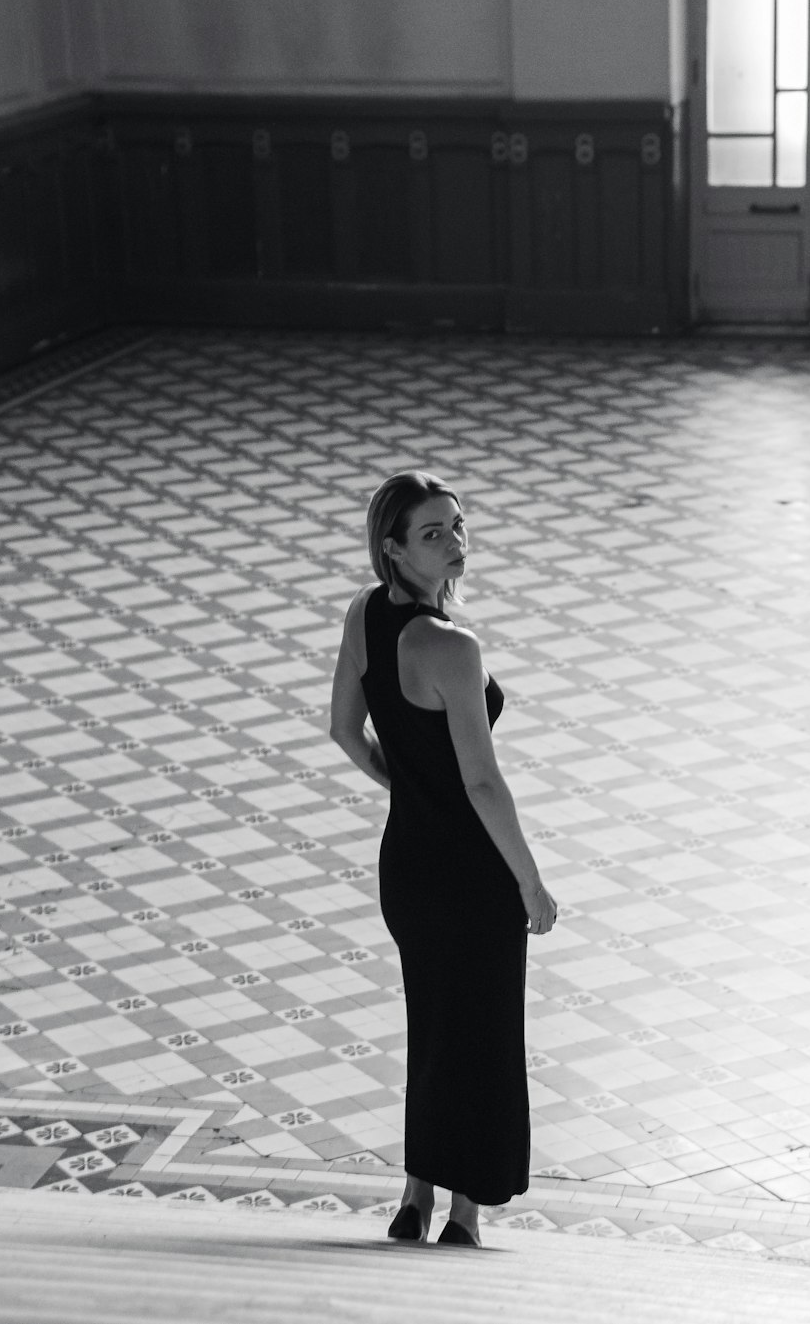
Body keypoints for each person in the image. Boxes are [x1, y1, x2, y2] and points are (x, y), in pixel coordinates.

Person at [330, 469, 558, 1247]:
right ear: (392, 548)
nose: (455, 542)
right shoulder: (452, 646)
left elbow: (342, 728)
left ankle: (412, 1194)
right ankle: (463, 1211)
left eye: (458, 525)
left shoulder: (364, 616)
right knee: (485, 1037)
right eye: (433, 533)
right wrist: (530, 880)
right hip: (471, 870)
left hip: (407, 863)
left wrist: (401, 779)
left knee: (433, 1030)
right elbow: (483, 781)